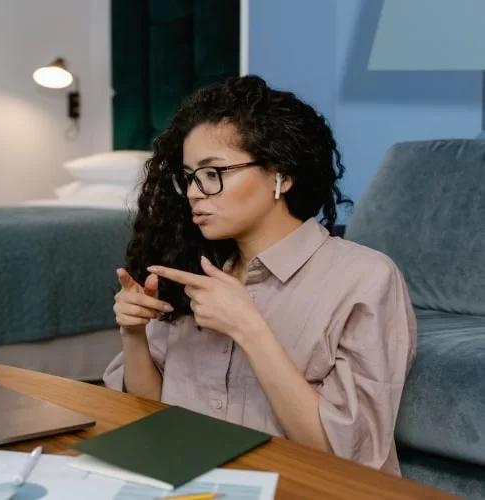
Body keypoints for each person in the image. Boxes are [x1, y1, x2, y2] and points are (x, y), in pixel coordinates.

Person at [104, 75, 417, 476]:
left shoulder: (365, 279)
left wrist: (249, 328)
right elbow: (152, 415)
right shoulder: (192, 270)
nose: (196, 192)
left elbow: (351, 459)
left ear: (281, 176)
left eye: (213, 173)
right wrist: (133, 333)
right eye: (189, 177)